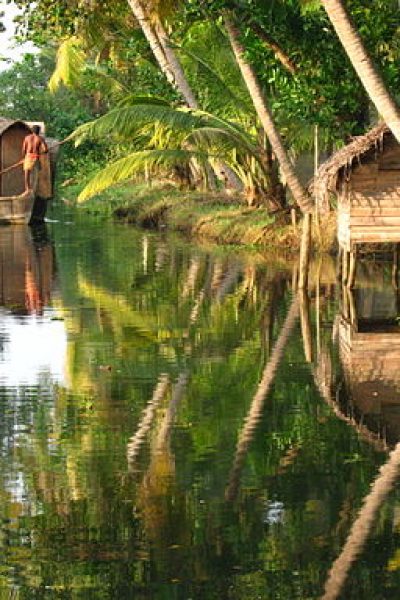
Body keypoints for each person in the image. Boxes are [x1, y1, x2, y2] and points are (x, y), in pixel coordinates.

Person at [22, 125, 48, 192]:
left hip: (28, 156)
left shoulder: (27, 138)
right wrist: (42, 152)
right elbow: (45, 150)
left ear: (32, 131)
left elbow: (24, 149)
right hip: (35, 157)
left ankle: (27, 188)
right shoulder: (40, 138)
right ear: (38, 131)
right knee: (35, 175)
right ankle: (34, 189)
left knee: (27, 173)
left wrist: (23, 158)